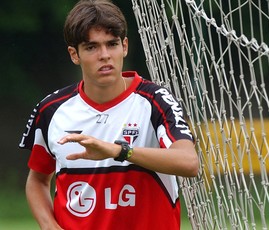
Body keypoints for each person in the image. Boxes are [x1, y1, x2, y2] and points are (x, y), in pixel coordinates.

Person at [19, 0, 199, 229]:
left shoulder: (155, 101)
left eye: (111, 44)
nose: (104, 55)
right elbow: (37, 180)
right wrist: (49, 225)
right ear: (74, 54)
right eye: (92, 47)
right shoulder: (51, 109)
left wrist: (119, 151)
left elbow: (189, 162)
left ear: (124, 46)